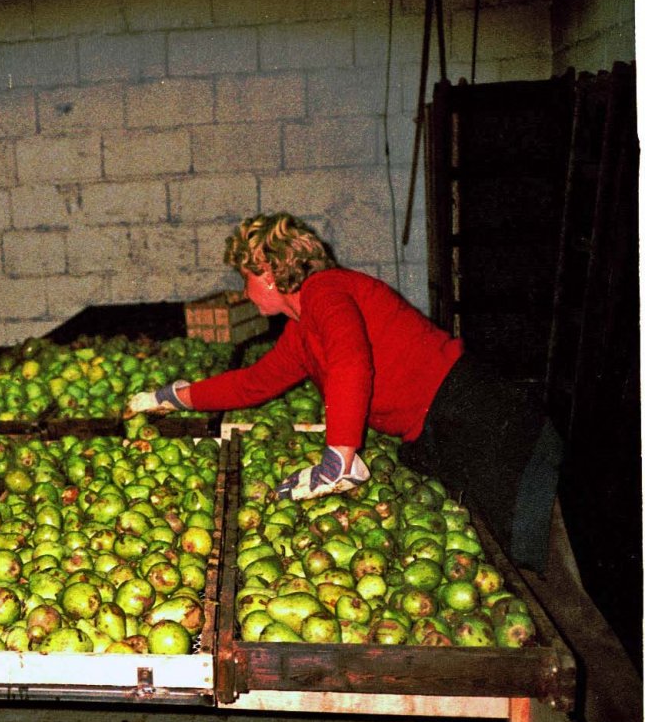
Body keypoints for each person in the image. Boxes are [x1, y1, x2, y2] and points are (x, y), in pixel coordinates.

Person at [124, 212, 562, 573]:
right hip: (437, 428)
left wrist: (338, 458)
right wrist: (171, 397)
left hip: (478, 415)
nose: (244, 292)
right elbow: (252, 383)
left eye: (247, 277)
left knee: (538, 555)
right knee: (505, 554)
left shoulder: (326, 291)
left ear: (272, 273)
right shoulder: (301, 332)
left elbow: (351, 363)